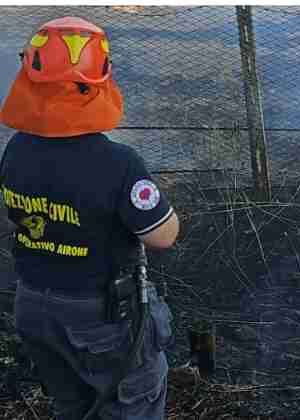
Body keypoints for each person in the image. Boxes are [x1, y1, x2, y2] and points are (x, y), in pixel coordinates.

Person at [0, 16, 179, 420]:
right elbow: (163, 236)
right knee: (134, 403)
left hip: (32, 306)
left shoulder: (16, 150)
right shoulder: (118, 163)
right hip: (98, 318)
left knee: (73, 405)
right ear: (99, 80)